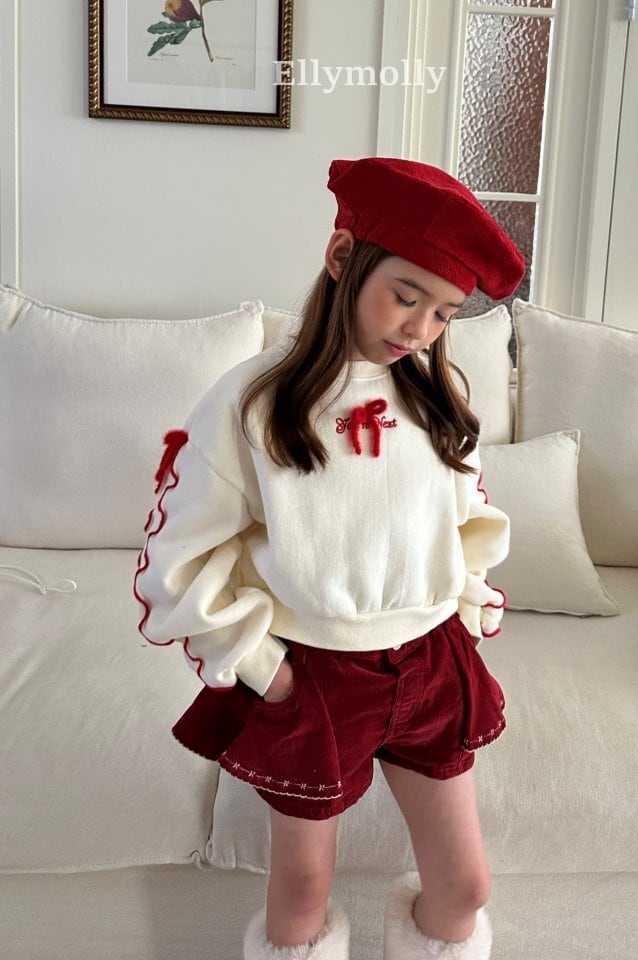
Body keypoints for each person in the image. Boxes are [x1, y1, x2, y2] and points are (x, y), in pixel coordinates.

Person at [134, 156, 525, 960]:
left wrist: (464, 608)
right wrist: (264, 668)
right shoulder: (253, 402)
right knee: (302, 893)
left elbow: (463, 516)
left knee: (465, 886)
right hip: (313, 676)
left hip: (428, 662)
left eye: (444, 313)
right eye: (407, 296)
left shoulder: (433, 396)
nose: (420, 329)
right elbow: (179, 552)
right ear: (343, 257)